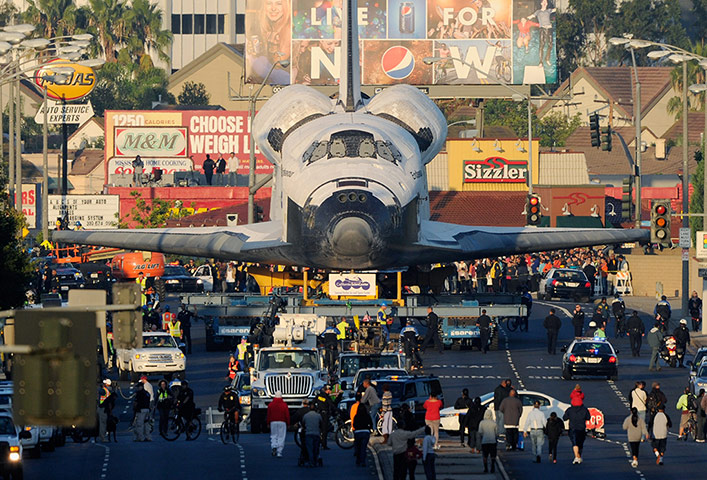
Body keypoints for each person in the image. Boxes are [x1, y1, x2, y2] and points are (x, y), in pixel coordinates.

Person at [314, 384, 341, 449]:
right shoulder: (326, 397)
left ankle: (318, 442)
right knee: (324, 430)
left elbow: (313, 402)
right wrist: (337, 410)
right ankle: (324, 445)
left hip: (318, 413)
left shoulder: (319, 396)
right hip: (324, 414)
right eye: (330, 390)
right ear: (327, 390)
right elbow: (331, 405)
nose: (331, 391)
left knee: (318, 429)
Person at [351, 393, 372, 467]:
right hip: (365, 432)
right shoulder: (367, 415)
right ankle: (363, 461)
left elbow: (354, 423)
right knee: (363, 447)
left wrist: (355, 428)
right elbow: (371, 423)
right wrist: (370, 429)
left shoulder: (356, 415)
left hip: (357, 432)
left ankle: (358, 460)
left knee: (358, 446)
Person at [266, 391, 290, 457]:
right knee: (281, 436)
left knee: (273, 435)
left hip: (273, 421)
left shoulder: (270, 404)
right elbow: (287, 415)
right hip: (282, 421)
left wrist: (268, 422)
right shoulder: (284, 404)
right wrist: (288, 423)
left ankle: (274, 446)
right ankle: (279, 451)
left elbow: (268, 414)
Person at [302, 403, 323, 467]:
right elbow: (321, 423)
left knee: (310, 449)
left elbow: (303, 423)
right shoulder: (318, 415)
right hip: (316, 433)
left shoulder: (306, 416)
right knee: (316, 448)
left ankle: (311, 462)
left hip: (308, 433)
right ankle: (315, 460)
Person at [479, 409, 497, 473]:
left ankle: (486, 468)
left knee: (485, 455)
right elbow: (496, 432)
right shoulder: (494, 423)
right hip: (492, 441)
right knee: (493, 455)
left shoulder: (482, 423)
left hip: (485, 441)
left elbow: (480, 432)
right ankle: (492, 467)